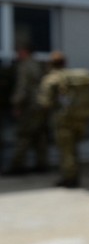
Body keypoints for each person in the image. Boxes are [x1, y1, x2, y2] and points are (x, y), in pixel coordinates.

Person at [36, 52, 89, 188]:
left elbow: (45, 102)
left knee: (66, 150)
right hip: (79, 118)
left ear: (51, 64)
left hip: (63, 120)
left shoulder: (52, 79)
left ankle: (69, 179)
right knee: (73, 148)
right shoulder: (73, 77)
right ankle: (74, 175)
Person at [7, 44, 48, 175]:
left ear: (25, 52)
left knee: (23, 135)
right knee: (40, 136)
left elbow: (22, 88)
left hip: (29, 106)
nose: (16, 55)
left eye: (18, 52)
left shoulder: (24, 66)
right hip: (42, 104)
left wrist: (16, 105)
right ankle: (42, 164)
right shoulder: (39, 65)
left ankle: (17, 166)